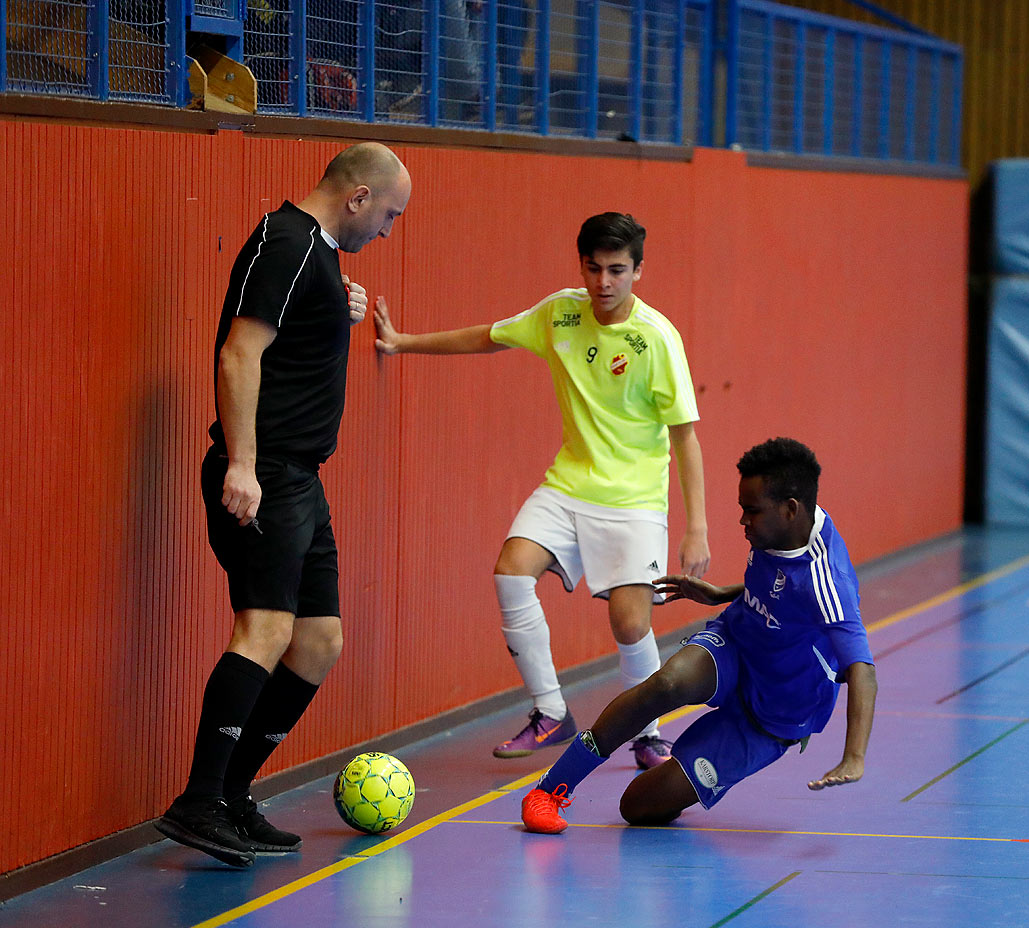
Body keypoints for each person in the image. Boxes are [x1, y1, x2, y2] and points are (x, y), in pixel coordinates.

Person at [372, 212, 709, 771]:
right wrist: (403, 342)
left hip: (634, 500)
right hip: (569, 485)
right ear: (582, 265)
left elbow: (685, 436)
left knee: (630, 623)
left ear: (638, 271)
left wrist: (696, 527)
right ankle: (551, 712)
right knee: (511, 569)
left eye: (618, 270)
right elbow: (488, 338)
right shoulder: (561, 313)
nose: (604, 282)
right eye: (594, 268)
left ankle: (648, 734)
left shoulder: (656, 340)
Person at [154, 143, 413, 868]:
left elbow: (301, 325)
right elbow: (240, 354)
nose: (388, 230)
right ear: (358, 197)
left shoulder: (317, 254)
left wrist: (345, 303)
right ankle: (199, 800)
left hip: (301, 477)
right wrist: (240, 463)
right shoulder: (286, 243)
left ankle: (233, 796)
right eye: (388, 213)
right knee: (265, 626)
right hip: (264, 470)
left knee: (319, 638)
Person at [520, 437, 877, 834]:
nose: (743, 521)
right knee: (668, 683)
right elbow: (782, 589)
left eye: (751, 512)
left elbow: (862, 669)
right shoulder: (786, 526)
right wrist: (721, 594)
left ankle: (682, 771)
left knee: (637, 807)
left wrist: (854, 757)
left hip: (775, 715)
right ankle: (549, 790)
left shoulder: (829, 582)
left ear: (790, 510)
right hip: (739, 644)